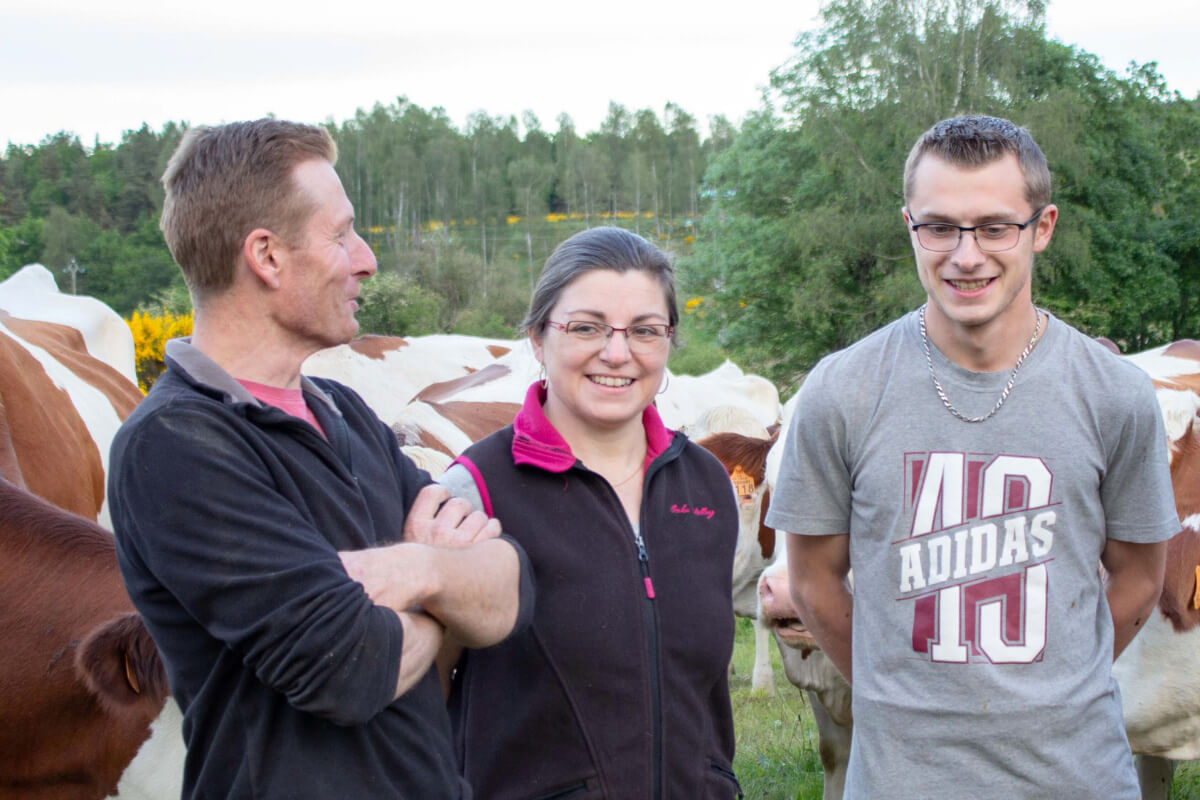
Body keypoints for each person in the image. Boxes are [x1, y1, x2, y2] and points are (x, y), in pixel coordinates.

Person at [107, 119, 532, 800]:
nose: (366, 259)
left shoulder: (345, 413)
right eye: (340, 235)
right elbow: (347, 668)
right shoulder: (175, 445)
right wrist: (443, 598)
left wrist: (414, 566)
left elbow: (511, 590)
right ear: (267, 257)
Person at [765, 114, 1179, 798]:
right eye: (940, 227)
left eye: (994, 227)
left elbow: (1137, 579)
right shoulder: (841, 389)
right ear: (909, 226)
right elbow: (813, 580)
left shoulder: (1115, 396)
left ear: (1041, 228)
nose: (965, 254)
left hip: (1076, 777)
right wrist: (895, 695)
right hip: (901, 780)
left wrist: (1056, 696)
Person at [437, 227, 743, 799]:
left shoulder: (707, 485)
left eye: (645, 331)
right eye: (586, 327)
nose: (617, 352)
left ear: (670, 340)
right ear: (536, 337)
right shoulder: (477, 488)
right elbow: (425, 692)